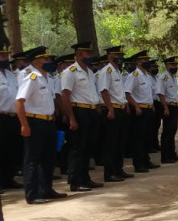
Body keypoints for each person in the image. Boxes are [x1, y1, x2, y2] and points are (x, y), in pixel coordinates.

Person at [14, 47, 67, 204]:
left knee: (48, 157)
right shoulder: (32, 78)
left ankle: (46, 189)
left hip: (48, 121)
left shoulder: (46, 77)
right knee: (33, 159)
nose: (49, 62)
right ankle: (32, 194)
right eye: (46, 59)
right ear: (37, 61)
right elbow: (19, 101)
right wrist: (24, 125)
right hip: (35, 121)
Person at [59, 40, 102, 192]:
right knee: (77, 148)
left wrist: (96, 109)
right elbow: (65, 95)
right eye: (87, 53)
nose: (90, 55)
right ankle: (75, 181)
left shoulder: (89, 72)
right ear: (78, 54)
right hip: (79, 111)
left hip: (91, 111)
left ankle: (85, 178)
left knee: (88, 147)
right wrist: (71, 117)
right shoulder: (70, 72)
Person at [96, 46, 130, 182]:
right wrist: (110, 109)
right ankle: (109, 173)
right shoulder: (107, 71)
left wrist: (125, 105)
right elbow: (104, 91)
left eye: (121, 56)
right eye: (117, 55)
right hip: (112, 110)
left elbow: (119, 92)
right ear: (110, 56)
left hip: (121, 108)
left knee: (120, 141)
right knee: (111, 142)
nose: (120, 58)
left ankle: (118, 169)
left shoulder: (117, 72)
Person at [125, 51, 157, 173]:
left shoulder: (147, 76)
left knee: (147, 137)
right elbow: (127, 93)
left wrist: (152, 105)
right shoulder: (134, 75)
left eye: (147, 59)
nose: (147, 62)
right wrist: (136, 106)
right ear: (138, 62)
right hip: (139, 110)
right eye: (144, 59)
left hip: (148, 108)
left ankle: (146, 160)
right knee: (138, 138)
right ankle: (138, 164)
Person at [0, 40, 23, 190]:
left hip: (13, 117)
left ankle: (8, 178)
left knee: (12, 149)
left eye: (6, 55)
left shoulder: (10, 74)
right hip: (0, 116)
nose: (5, 58)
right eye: (2, 56)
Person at [157, 56, 178, 163]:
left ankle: (172, 153)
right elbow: (160, 93)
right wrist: (165, 107)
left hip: (174, 106)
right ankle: (165, 156)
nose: (175, 67)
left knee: (172, 131)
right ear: (167, 66)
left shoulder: (172, 77)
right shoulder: (163, 77)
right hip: (168, 106)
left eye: (176, 65)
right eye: (173, 65)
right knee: (167, 132)